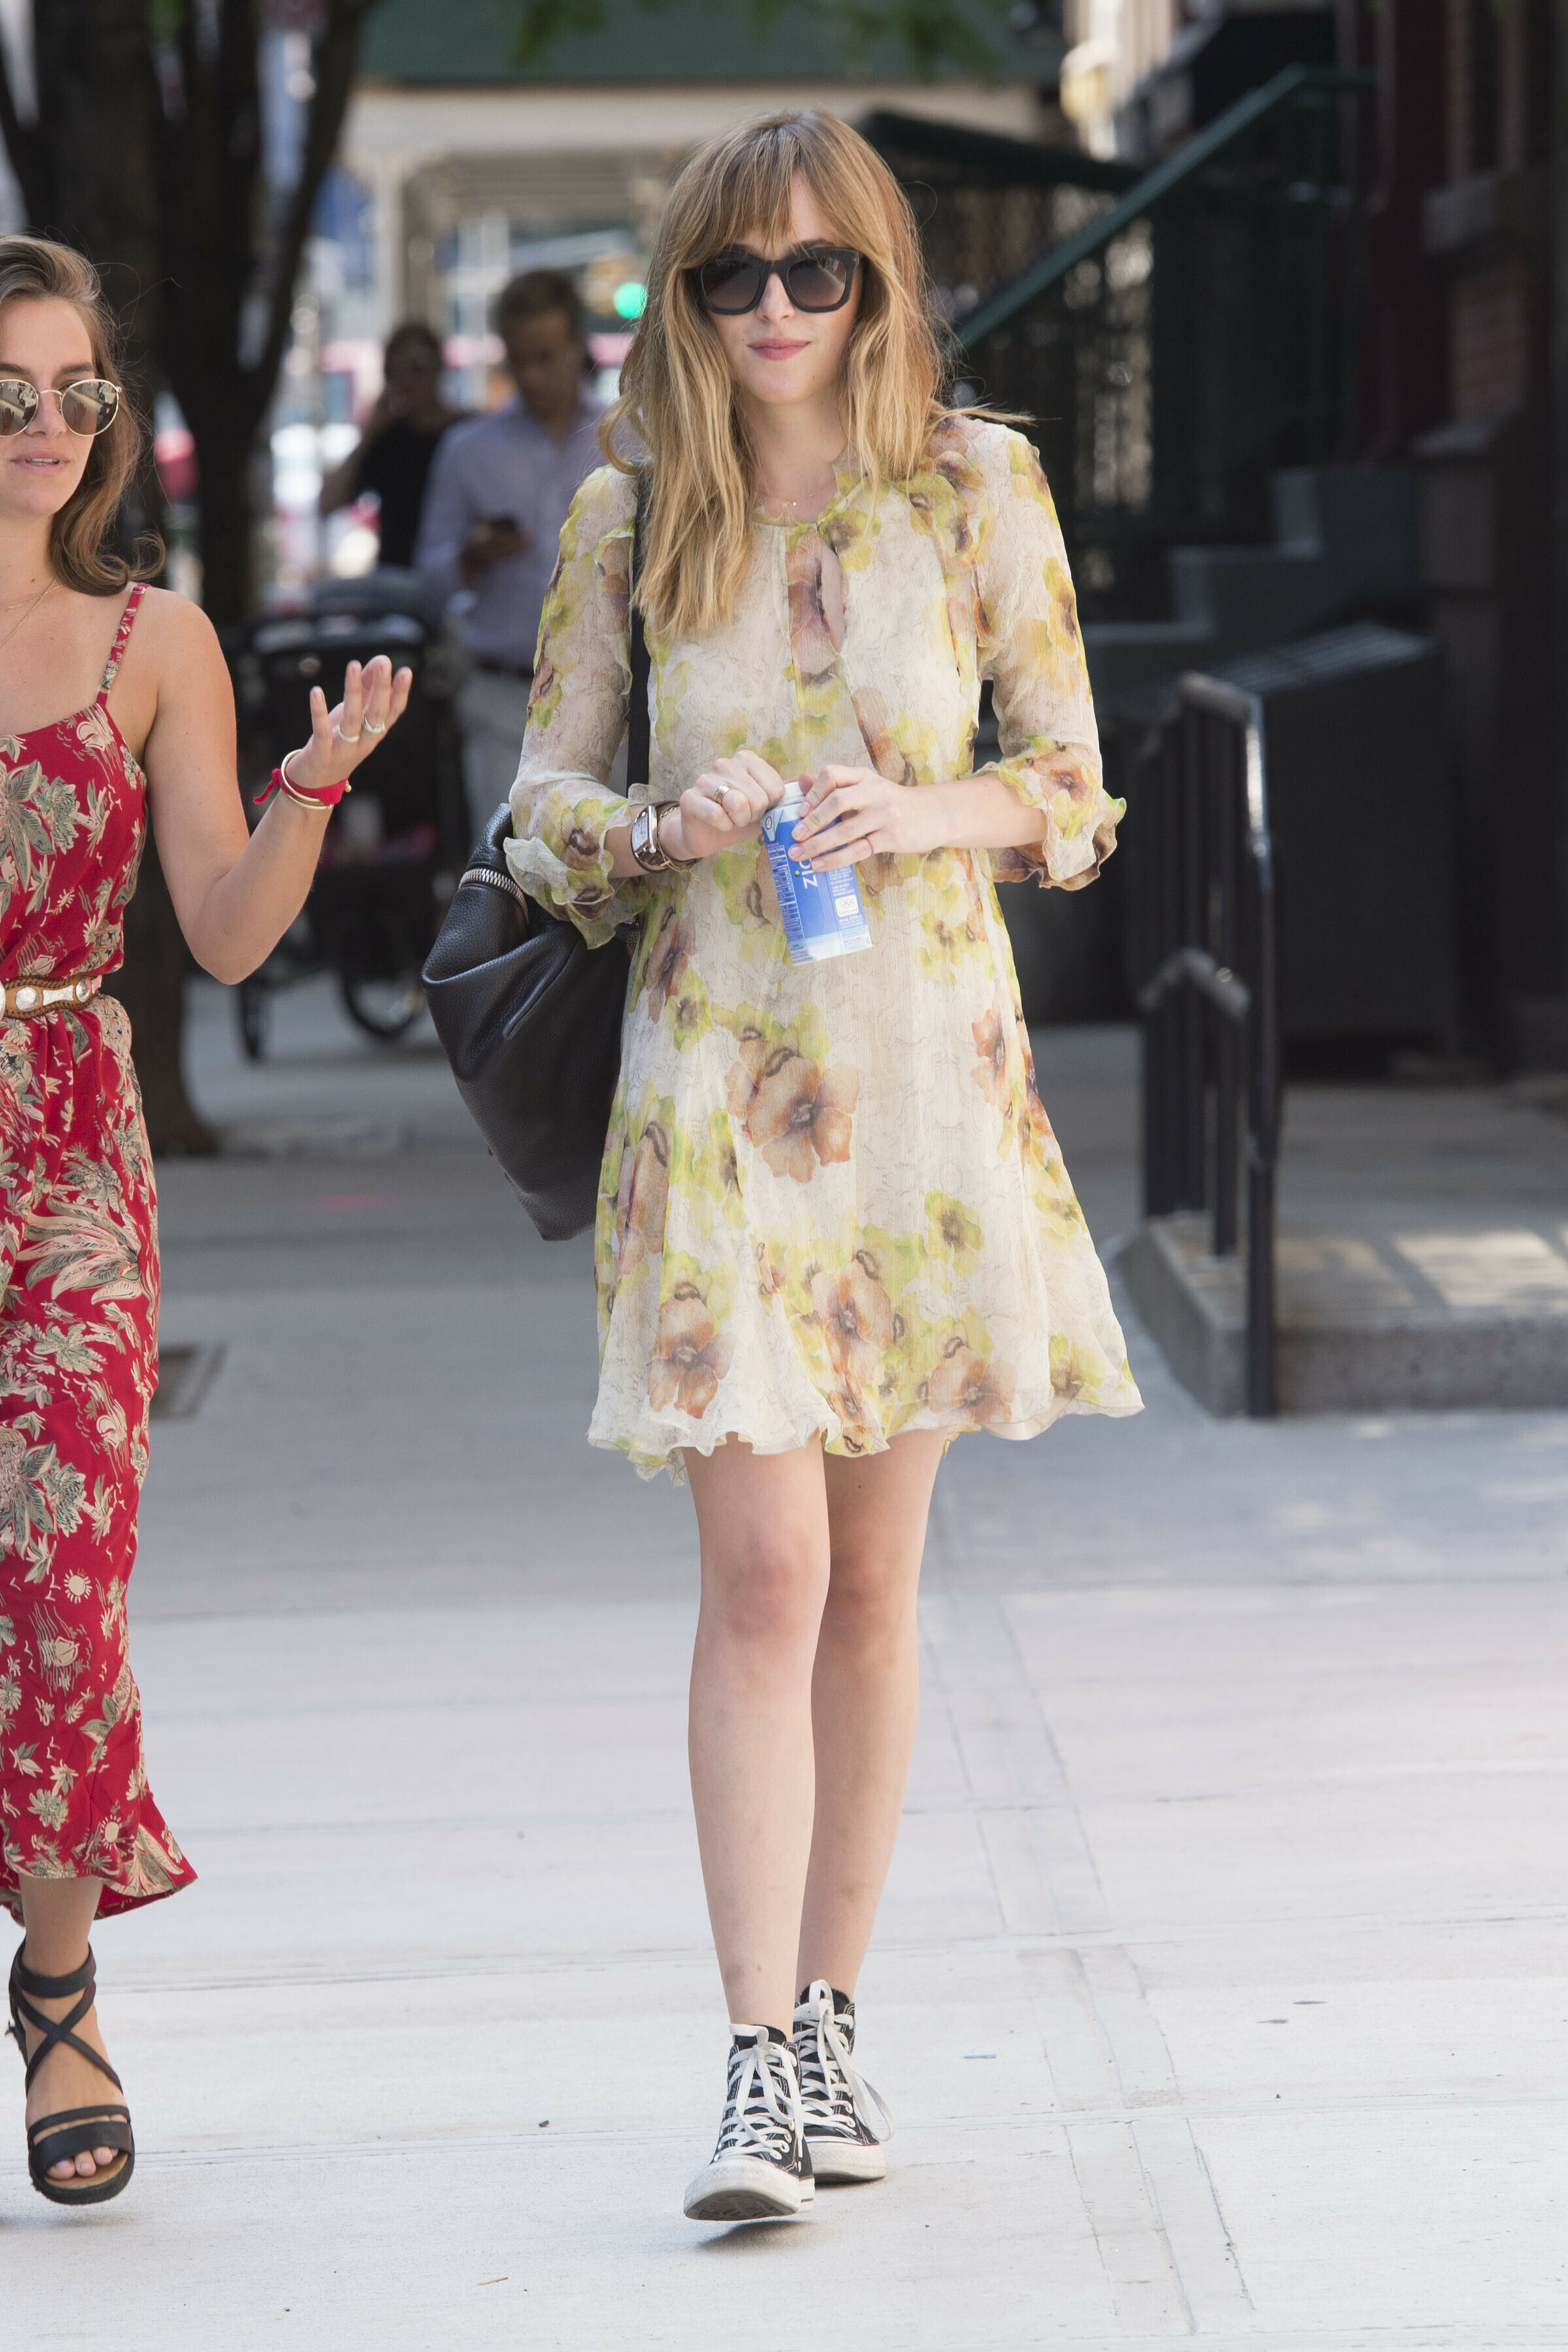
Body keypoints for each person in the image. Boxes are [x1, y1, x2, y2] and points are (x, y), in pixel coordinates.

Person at [506, 111, 1142, 2225]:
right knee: (764, 1576)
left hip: (926, 1088)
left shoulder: (978, 486)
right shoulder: (632, 508)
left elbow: (1076, 786)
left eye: (815, 271)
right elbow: (535, 810)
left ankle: (841, 2019)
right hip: (716, 1088)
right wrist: (655, 824)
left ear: (877, 281)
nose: (772, 309)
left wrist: (923, 810)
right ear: (684, 296)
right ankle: (755, 2059)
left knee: (875, 1585)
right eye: (730, 275)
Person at [0, 235, 410, 2206]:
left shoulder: (153, 641)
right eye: (8, 395)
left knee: (64, 1575)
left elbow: (229, 937)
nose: (48, 428)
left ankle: (59, 1986)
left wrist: (309, 792)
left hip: (71, 1146)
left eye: (77, 395)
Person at [414, 269, 604, 840]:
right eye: (519, 359)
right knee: (504, 873)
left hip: (602, 698)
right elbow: (428, 580)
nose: (533, 375)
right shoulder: (469, 451)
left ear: (577, 346)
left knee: (608, 875)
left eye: (547, 357)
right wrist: (471, 558)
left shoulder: (626, 440)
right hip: (503, 700)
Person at [318, 319, 463, 571]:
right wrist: (370, 433)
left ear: (439, 367)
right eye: (398, 370)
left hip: (455, 575)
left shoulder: (465, 433)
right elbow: (327, 504)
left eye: (418, 367)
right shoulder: (388, 440)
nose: (410, 380)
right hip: (398, 577)